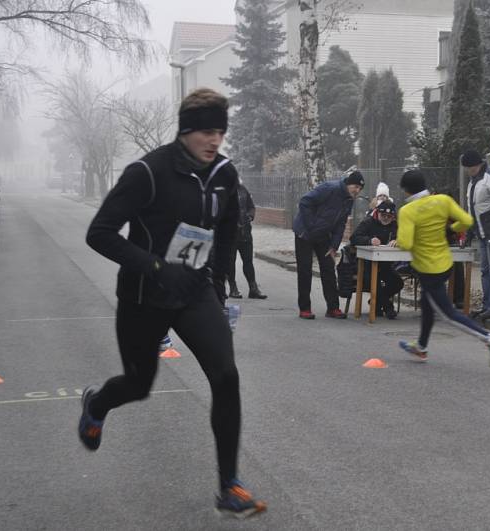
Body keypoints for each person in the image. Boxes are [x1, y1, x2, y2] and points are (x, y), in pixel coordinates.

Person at [80, 88, 266, 517]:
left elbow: (226, 227)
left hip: (195, 292)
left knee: (226, 376)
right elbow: (100, 233)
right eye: (205, 131)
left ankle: (228, 486)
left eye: (220, 131)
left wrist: (217, 283)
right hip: (145, 295)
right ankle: (96, 404)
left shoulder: (223, 172)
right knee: (139, 385)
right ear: (186, 131)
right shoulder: (147, 171)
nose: (214, 140)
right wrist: (157, 268)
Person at [395, 169, 490, 367]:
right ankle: (421, 346)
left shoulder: (407, 211)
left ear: (406, 191)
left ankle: (489, 338)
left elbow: (405, 243)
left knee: (448, 314)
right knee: (427, 305)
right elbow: (467, 221)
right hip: (446, 262)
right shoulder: (443, 200)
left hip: (428, 268)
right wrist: (448, 229)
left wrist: (412, 237)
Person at [293, 170, 364, 319]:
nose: (357, 191)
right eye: (355, 187)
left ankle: (333, 308)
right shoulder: (329, 188)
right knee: (305, 270)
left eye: (360, 189)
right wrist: (311, 225)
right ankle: (305, 308)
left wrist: (334, 246)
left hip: (323, 236)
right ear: (348, 184)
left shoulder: (349, 200)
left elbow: (341, 223)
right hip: (304, 233)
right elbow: (305, 201)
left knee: (329, 270)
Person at [461, 149, 490, 320]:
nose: (468, 170)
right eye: (467, 167)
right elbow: (473, 208)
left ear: (478, 164)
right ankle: (487, 305)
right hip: (481, 233)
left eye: (470, 167)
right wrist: (470, 233)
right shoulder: (473, 181)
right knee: (485, 270)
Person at [350, 200, 404, 319]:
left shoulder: (395, 225)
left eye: (389, 217)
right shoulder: (368, 222)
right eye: (383, 215)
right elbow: (353, 237)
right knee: (374, 281)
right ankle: (388, 307)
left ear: (393, 217)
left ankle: (376, 303)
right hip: (365, 264)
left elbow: (402, 236)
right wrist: (369, 240)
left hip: (384, 264)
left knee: (398, 282)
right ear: (377, 213)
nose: (385, 218)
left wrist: (398, 240)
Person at [227, 182, 267, 300]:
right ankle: (233, 288)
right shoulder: (224, 190)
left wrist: (250, 215)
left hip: (245, 232)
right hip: (230, 234)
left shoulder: (243, 189)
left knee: (248, 261)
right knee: (230, 261)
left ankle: (253, 288)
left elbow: (251, 206)